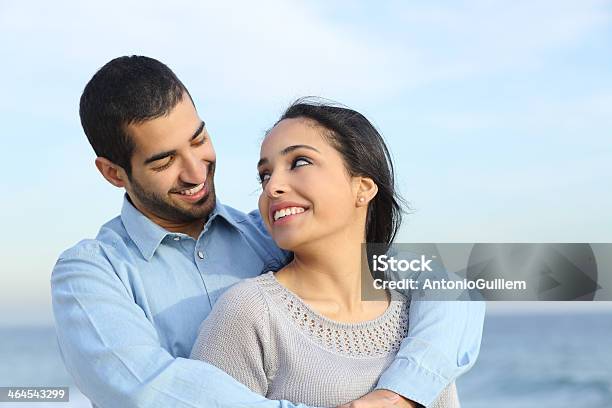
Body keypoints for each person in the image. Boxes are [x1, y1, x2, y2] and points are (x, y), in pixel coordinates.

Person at [51, 55, 485, 408]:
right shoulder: (90, 273)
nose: (195, 170)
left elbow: (451, 287)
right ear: (113, 173)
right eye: (164, 162)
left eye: (199, 139)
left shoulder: (274, 232)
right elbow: (145, 389)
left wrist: (403, 391)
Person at [190, 100, 460, 407]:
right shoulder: (250, 313)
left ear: (363, 187)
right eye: (265, 175)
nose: (272, 186)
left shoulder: (420, 319)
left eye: (300, 162)